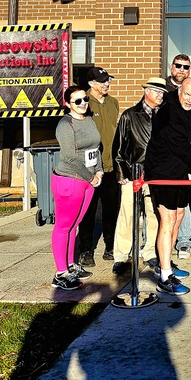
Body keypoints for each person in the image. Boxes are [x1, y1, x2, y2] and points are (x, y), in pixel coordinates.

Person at [144, 77, 191, 295]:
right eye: (187, 94)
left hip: (180, 172)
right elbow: (181, 147)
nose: (190, 99)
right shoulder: (168, 112)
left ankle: (165, 264)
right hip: (162, 172)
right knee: (167, 219)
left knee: (178, 216)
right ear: (179, 91)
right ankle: (165, 276)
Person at [110, 77, 168, 276]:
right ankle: (121, 256)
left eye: (163, 93)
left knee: (153, 215)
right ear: (147, 92)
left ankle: (150, 251)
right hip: (132, 172)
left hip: (156, 173)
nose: (160, 96)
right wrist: (121, 173)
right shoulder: (129, 115)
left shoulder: (166, 115)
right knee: (128, 215)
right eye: (157, 92)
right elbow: (118, 146)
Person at [51, 85, 103, 290]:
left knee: (75, 225)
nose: (83, 104)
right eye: (77, 101)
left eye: (84, 100)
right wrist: (90, 177)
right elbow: (69, 158)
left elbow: (95, 149)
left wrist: (98, 171)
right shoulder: (65, 124)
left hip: (88, 180)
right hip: (69, 179)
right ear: (68, 103)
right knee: (64, 226)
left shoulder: (89, 120)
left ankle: (71, 265)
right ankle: (60, 273)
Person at [76, 67, 120, 266]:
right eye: (102, 82)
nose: (107, 84)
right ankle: (86, 250)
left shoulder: (113, 102)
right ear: (92, 84)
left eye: (108, 81)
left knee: (112, 209)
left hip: (111, 166)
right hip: (91, 168)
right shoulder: (83, 102)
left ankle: (110, 247)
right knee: (88, 211)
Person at [165, 53, 191, 259]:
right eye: (178, 66)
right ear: (171, 67)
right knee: (164, 209)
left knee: (183, 207)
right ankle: (158, 248)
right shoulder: (162, 92)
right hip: (165, 158)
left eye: (186, 67)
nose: (182, 70)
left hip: (186, 158)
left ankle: (184, 242)